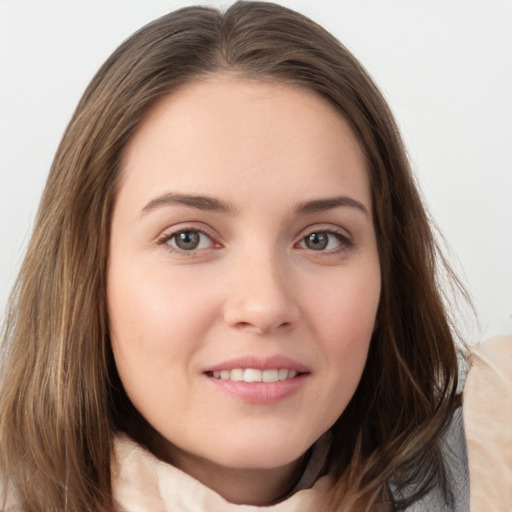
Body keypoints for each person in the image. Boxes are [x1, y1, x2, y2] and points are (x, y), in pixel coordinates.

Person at [1, 2, 506, 511]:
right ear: (88, 273)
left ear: (386, 271)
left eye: (320, 239)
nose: (264, 306)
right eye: (188, 239)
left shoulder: (494, 463)